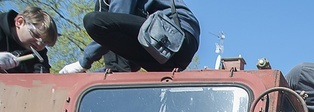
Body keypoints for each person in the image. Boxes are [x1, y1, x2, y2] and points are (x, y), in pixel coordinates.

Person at [59, 0, 199, 74]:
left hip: (178, 38)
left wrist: (82, 63)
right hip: (162, 55)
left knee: (95, 22)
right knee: (111, 32)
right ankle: (114, 74)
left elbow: (117, 15)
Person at [0, 6, 58, 73]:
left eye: (44, 42)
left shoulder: (39, 57)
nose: (39, 43)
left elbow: (41, 81)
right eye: (35, 35)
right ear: (19, 22)